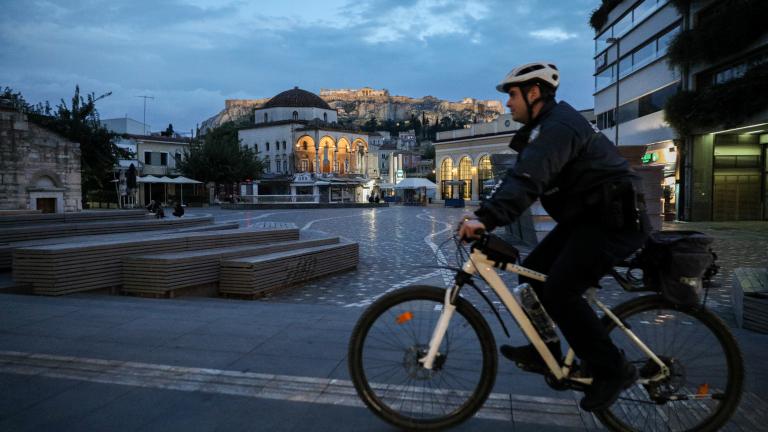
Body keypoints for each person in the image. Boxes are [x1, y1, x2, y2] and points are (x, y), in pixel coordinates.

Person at [457, 61, 650, 412]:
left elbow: (530, 179)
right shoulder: (544, 128)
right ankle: (544, 349)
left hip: (614, 221)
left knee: (561, 289)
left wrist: (486, 218)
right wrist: (483, 213)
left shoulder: (558, 127)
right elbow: (517, 177)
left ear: (534, 93)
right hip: (589, 219)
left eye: (512, 95)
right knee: (532, 279)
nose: (506, 104)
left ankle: (613, 370)